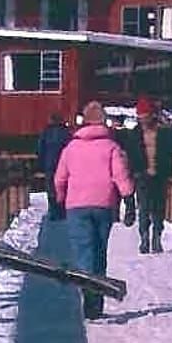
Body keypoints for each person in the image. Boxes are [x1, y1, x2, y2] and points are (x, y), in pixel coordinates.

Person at [50, 101, 134, 320]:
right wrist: (128, 199)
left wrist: (59, 199)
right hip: (104, 205)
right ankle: (97, 301)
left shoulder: (71, 148)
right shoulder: (111, 147)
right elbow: (121, 176)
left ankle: (88, 294)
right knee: (99, 251)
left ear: (84, 122)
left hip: (76, 206)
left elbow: (59, 178)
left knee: (83, 252)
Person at [128, 96, 172, 254]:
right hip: (142, 175)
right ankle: (144, 238)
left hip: (160, 174)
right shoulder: (135, 133)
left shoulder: (164, 130)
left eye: (146, 116)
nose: (143, 120)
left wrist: (171, 125)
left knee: (159, 208)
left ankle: (156, 237)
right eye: (141, 117)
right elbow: (131, 153)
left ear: (152, 115)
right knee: (144, 208)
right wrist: (134, 172)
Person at [34, 111, 73, 221]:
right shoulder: (67, 133)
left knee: (51, 188)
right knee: (63, 186)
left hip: (50, 164)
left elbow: (41, 149)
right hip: (64, 165)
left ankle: (53, 211)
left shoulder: (46, 133)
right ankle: (63, 210)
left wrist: (40, 164)